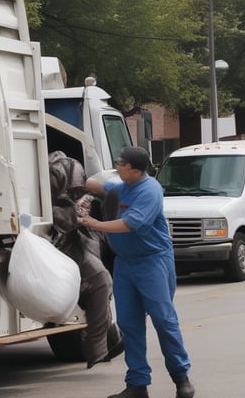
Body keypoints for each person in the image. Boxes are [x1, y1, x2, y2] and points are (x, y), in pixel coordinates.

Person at [80, 146, 194, 398]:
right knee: (129, 324)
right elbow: (100, 186)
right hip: (125, 264)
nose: (117, 166)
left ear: (134, 169)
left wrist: (94, 223)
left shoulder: (150, 190)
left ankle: (181, 378)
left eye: (121, 164)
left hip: (152, 262)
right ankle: (137, 384)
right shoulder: (123, 186)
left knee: (164, 321)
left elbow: (131, 223)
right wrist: (77, 174)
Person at [48, 151, 123, 369]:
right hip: (68, 243)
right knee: (101, 280)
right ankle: (100, 346)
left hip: (77, 241)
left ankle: (101, 344)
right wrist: (81, 219)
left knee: (101, 280)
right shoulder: (66, 178)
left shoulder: (138, 190)